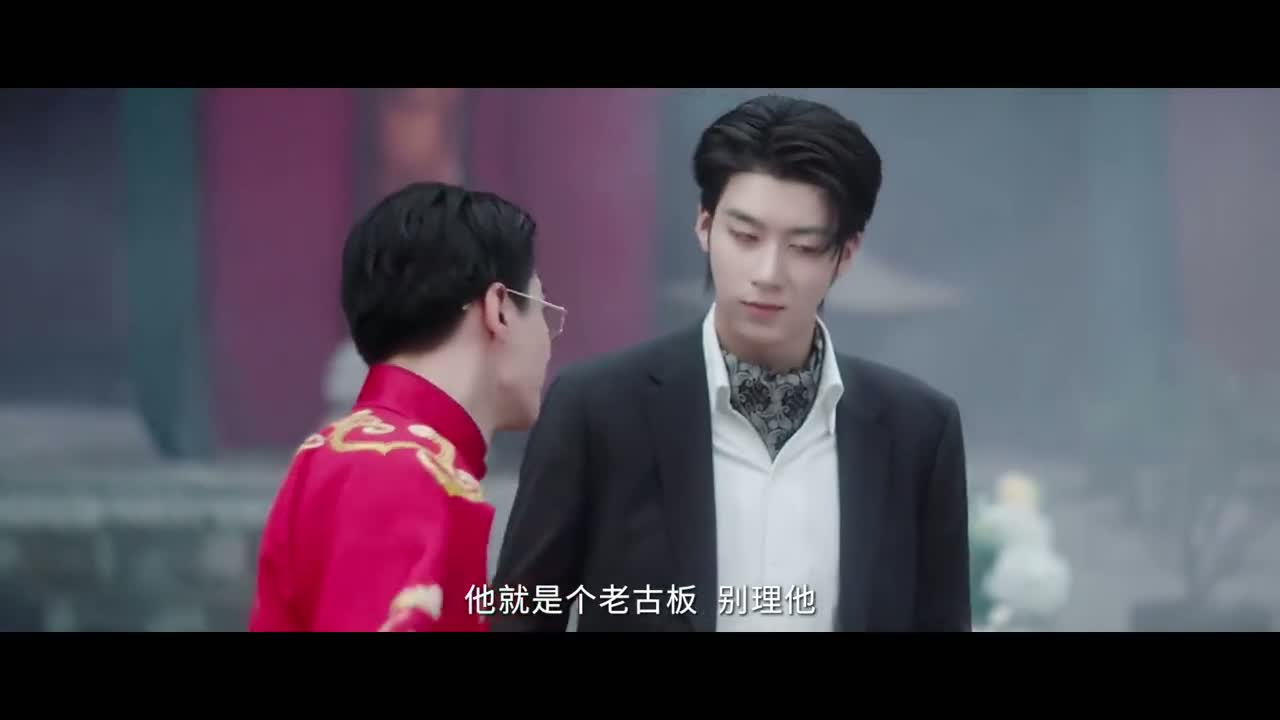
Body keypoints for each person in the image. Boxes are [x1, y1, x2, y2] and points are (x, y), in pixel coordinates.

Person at [491, 94, 971, 632]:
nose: (767, 273)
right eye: (745, 236)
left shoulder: (917, 432)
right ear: (705, 226)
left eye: (803, 247)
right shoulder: (598, 409)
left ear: (847, 253)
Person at [250, 181, 563, 632]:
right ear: (498, 308)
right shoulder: (401, 467)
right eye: (541, 308)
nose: (548, 342)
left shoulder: (348, 453)